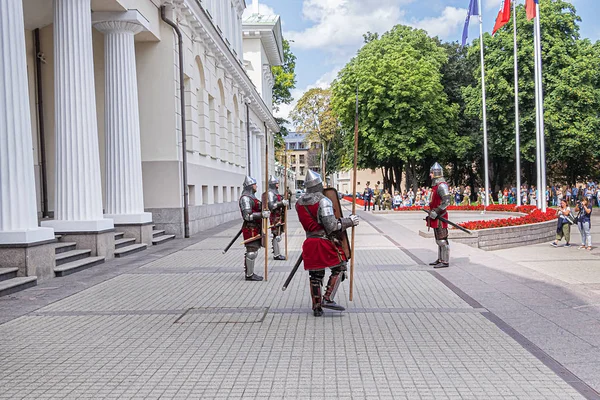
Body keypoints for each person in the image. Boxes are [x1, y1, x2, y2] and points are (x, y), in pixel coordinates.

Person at [296, 170, 359, 317]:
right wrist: (350, 221)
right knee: (340, 267)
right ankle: (328, 298)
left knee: (315, 275)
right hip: (323, 242)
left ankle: (316, 307)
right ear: (318, 185)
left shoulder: (299, 203)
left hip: (309, 242)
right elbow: (331, 226)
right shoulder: (323, 201)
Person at [239, 176, 270, 281]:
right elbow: (247, 216)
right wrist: (262, 215)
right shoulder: (245, 198)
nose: (256, 186)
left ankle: (250, 273)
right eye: (255, 184)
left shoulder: (252, 197)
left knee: (254, 250)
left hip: (256, 227)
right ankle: (249, 275)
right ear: (250, 186)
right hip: (250, 228)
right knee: (251, 251)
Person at [426, 162, 451, 268]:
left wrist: (436, 211)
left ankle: (445, 261)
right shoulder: (436, 186)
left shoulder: (442, 186)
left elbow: (447, 201)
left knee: (442, 239)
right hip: (436, 216)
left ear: (436, 173)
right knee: (438, 239)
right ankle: (440, 258)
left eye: (431, 173)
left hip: (441, 217)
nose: (430, 175)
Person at [266, 175, 289, 261]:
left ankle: (277, 253)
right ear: (273, 184)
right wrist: (281, 203)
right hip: (274, 216)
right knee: (275, 234)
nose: (278, 184)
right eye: (276, 183)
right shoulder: (270, 193)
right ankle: (276, 254)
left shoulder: (275, 192)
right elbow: (271, 206)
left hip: (279, 215)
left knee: (278, 233)